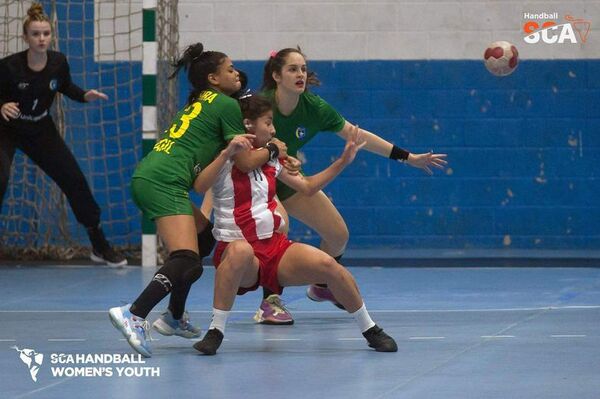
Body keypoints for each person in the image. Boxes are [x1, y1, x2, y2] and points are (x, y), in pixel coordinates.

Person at [108, 43, 287, 358]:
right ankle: (135, 314)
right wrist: (274, 149)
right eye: (229, 68)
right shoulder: (225, 105)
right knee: (187, 258)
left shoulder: (203, 102)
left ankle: (175, 316)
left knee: (204, 239)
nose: (236, 73)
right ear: (213, 78)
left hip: (154, 176)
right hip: (164, 182)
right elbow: (245, 162)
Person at [247, 47, 449, 324]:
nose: (300, 74)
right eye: (293, 69)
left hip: (289, 178)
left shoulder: (314, 108)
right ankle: (269, 302)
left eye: (303, 69)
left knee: (338, 234)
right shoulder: (260, 105)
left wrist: (408, 157)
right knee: (278, 224)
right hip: (258, 178)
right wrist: (275, 152)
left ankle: (322, 286)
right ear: (276, 75)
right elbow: (240, 142)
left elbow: (357, 135)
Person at [192, 94, 397, 355]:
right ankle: (216, 331)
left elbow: (308, 187)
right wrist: (225, 154)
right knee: (241, 250)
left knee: (328, 264)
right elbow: (200, 186)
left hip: (274, 249)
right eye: (268, 123)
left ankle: (370, 329)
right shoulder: (226, 157)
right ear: (248, 125)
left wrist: (342, 162)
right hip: (240, 257)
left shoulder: (271, 159)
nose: (274, 130)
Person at [0, 3, 126, 267]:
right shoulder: (9, 67)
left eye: (45, 33)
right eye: (35, 34)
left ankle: (99, 244)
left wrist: (83, 95)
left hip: (40, 128)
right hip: (8, 130)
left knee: (74, 180)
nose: (41, 38)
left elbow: (64, 86)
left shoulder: (58, 62)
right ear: (26, 38)